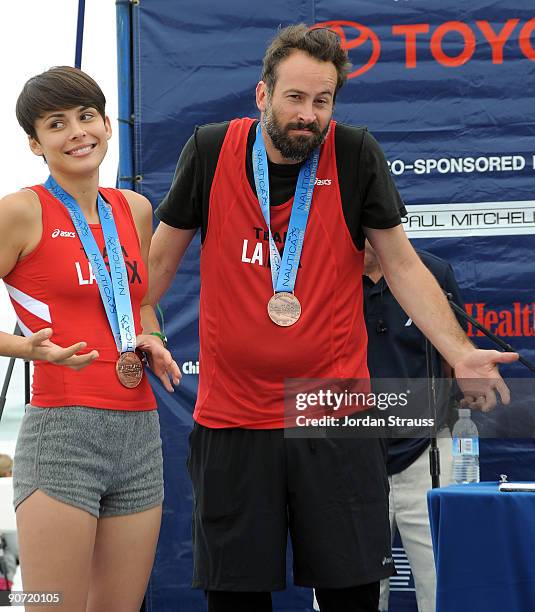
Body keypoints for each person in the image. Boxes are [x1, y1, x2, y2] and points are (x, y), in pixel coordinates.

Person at [149, 24, 517, 612]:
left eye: (322, 101)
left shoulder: (352, 152)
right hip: (234, 416)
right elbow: (160, 258)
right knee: (234, 595)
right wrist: (143, 322)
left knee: (350, 592)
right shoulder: (213, 148)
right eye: (295, 97)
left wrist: (456, 351)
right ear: (262, 94)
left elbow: (401, 264)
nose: (308, 115)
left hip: (332, 412)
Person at [0, 66, 181, 612]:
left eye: (87, 116)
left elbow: (141, 300)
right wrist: (23, 348)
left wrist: (152, 338)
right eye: (57, 123)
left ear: (107, 123)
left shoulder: (135, 209)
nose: (78, 132)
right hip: (62, 431)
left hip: (139, 429)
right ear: (35, 143)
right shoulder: (20, 211)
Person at [363, 242, 465, 612]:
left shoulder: (433, 274)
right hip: (351, 457)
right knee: (351, 590)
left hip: (427, 454)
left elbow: (454, 358)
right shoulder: (320, 277)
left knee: (442, 588)